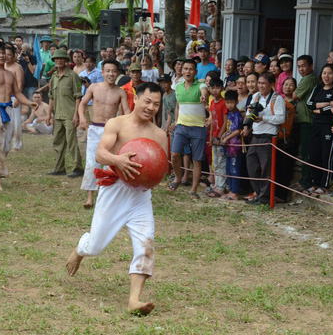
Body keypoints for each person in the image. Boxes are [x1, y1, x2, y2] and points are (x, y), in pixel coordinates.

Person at [65, 82, 168, 316]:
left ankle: (134, 300)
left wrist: (152, 179)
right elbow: (100, 153)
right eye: (147, 101)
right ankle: (81, 248)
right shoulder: (117, 124)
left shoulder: (160, 135)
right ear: (136, 99)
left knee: (146, 244)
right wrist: (118, 160)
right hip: (115, 189)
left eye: (156, 104)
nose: (151, 107)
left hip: (141, 194)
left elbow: (161, 167)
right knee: (96, 246)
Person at [0, 42, 38, 192]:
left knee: (5, 146)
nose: (2, 55)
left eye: (3, 52)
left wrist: (30, 103)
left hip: (8, 108)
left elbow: (17, 93)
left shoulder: (10, 73)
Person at [78, 58, 131, 209]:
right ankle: (89, 197)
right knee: (91, 162)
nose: (111, 74)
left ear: (118, 73)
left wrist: (130, 125)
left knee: (109, 163)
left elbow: (126, 111)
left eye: (114, 71)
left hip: (111, 130)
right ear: (102, 72)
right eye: (108, 71)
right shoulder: (94, 87)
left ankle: (106, 195)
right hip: (94, 128)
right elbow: (82, 104)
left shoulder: (121, 92)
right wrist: (82, 118)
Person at [241, 71, 285, 205]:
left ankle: (265, 198)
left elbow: (280, 118)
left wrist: (263, 118)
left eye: (263, 83)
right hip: (255, 135)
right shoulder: (255, 96)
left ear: (271, 84)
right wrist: (248, 123)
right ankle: (258, 194)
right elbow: (249, 112)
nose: (260, 86)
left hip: (268, 137)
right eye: (259, 83)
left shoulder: (277, 99)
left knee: (266, 168)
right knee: (251, 165)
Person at [168, 60, 208, 198]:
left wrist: (204, 97)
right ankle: (178, 178)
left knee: (197, 160)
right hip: (182, 126)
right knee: (174, 154)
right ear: (181, 70)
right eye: (185, 69)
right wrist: (177, 122)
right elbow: (178, 106)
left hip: (198, 128)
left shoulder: (201, 85)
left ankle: (194, 190)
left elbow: (204, 92)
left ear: (195, 72)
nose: (188, 71)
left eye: (191, 69)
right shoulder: (178, 86)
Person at [45, 49, 83, 177]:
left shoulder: (73, 76)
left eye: (61, 58)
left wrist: (76, 114)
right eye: (56, 59)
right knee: (58, 141)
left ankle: (78, 167)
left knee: (71, 142)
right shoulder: (53, 77)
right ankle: (59, 168)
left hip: (70, 114)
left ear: (66, 61)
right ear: (54, 61)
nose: (59, 61)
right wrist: (49, 114)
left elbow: (78, 96)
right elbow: (51, 97)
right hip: (58, 115)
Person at [306, 63, 333, 197]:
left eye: (330, 73)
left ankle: (324, 184)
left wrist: (319, 110)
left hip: (328, 126)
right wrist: (326, 104)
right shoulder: (318, 88)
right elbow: (309, 104)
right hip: (315, 125)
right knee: (314, 154)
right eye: (324, 73)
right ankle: (315, 183)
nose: (327, 76)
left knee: (326, 155)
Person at [292, 55, 318, 192]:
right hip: (305, 120)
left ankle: (306, 181)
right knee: (305, 151)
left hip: (308, 121)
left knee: (307, 152)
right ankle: (304, 179)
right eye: (299, 66)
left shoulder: (309, 79)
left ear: (311, 66)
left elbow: (295, 95)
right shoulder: (307, 78)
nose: (301, 69)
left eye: (303, 66)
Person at [219, 90, 243, 200]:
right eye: (227, 102)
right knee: (228, 169)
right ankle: (231, 190)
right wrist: (223, 135)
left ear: (236, 102)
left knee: (234, 169)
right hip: (228, 146)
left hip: (235, 147)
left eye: (231, 102)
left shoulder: (237, 114)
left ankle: (235, 192)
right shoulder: (230, 114)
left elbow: (238, 130)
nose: (229, 105)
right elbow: (229, 128)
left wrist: (227, 138)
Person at [206, 77, 227, 198]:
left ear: (222, 89)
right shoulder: (212, 102)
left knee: (221, 163)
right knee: (215, 162)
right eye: (212, 88)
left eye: (217, 88)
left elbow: (225, 122)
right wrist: (211, 137)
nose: (214, 90)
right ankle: (217, 186)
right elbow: (212, 121)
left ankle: (221, 188)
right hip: (213, 136)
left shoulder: (223, 103)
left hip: (220, 137)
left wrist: (219, 137)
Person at [4, 43, 25, 150]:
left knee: (15, 122)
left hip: (14, 97)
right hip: (2, 98)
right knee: (4, 122)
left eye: (9, 54)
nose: (7, 56)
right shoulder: (1, 66)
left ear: (14, 55)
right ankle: (5, 143)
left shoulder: (17, 67)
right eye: (5, 54)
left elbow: (20, 84)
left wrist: (17, 98)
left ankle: (17, 145)